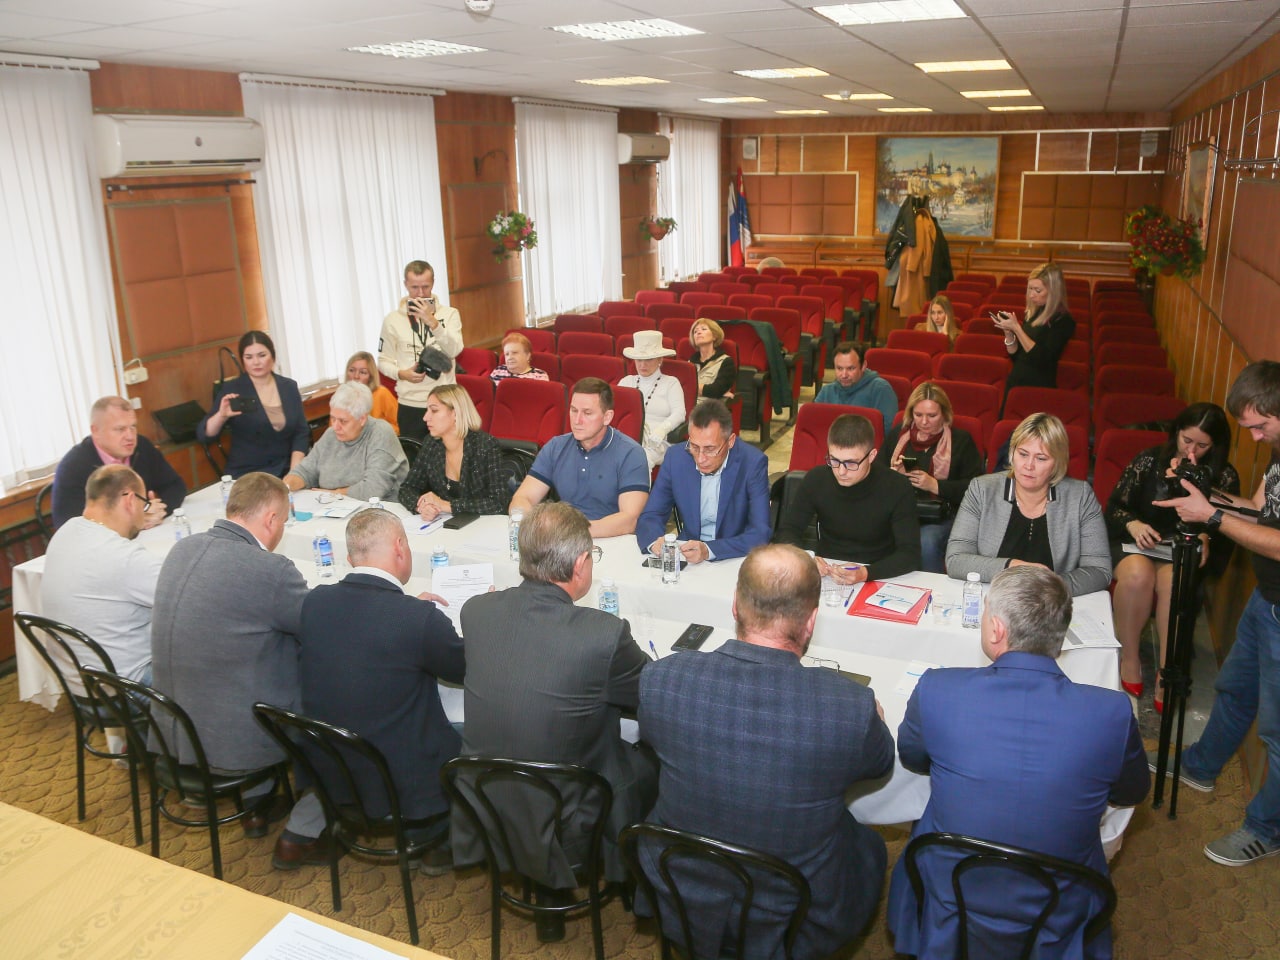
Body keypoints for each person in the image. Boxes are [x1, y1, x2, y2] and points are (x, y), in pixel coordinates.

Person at [638, 543, 894, 960]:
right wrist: (874, 719)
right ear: (811, 621)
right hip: (795, 902)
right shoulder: (848, 708)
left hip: (681, 878)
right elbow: (880, 764)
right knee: (869, 846)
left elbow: (650, 739)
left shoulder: (661, 680)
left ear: (735, 606)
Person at [886, 566, 1149, 960]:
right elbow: (1131, 791)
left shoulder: (938, 689)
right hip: (1059, 899)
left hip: (951, 888)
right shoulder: (1111, 712)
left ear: (996, 629)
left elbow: (913, 758)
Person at [455, 502, 657, 901]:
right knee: (655, 761)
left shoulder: (475, 611)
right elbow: (650, 694)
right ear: (580, 564)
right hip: (567, 816)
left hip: (487, 803)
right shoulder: (603, 634)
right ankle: (638, 885)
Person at [272, 508, 465, 872]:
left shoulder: (315, 602)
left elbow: (365, 630)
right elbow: (464, 668)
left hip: (332, 765)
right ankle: (438, 839)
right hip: (399, 774)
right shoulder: (418, 619)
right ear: (400, 548)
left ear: (350, 559)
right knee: (470, 729)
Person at [1151, 361, 1280, 866]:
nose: (1254, 436)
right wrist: (1201, 491)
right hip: (1265, 600)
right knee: (1234, 690)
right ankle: (1200, 766)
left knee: (1276, 732)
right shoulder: (1278, 448)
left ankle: (1266, 829)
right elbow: (1259, 509)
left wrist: (1212, 516)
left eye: (1260, 425)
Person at [150, 472, 308, 837]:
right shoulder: (271, 570)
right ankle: (310, 822)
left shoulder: (181, 549)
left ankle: (259, 801)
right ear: (271, 519)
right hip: (233, 740)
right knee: (327, 682)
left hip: (174, 728)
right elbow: (318, 628)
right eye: (283, 521)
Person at [1106, 403, 1239, 705]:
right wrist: (1133, 524)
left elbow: (1226, 525)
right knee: (1138, 577)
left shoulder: (1223, 476)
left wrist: (1205, 535)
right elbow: (1114, 507)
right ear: (1176, 432)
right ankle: (1129, 657)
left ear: (1215, 446)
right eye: (1186, 440)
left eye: (1202, 445)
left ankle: (1168, 670)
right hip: (1137, 543)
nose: (1191, 451)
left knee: (1173, 582)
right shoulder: (1149, 460)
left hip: (1181, 548)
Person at [947, 412, 1111, 596]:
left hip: (1053, 603)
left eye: (1041, 458)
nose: (1028, 465)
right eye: (1023, 454)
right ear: (1012, 453)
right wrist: (1014, 568)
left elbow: (1100, 570)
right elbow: (955, 560)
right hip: (993, 599)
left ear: (1057, 463)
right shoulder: (982, 489)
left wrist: (1050, 585)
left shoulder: (1080, 497)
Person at [42, 465, 162, 684]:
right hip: (128, 687)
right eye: (144, 504)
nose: (144, 512)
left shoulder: (64, 533)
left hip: (78, 682)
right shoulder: (123, 556)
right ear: (130, 500)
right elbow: (187, 598)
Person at [776, 413, 920, 584]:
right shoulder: (816, 479)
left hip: (880, 572)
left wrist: (866, 573)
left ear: (872, 456)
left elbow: (910, 554)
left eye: (851, 463)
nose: (841, 471)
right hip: (828, 571)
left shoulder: (897, 487)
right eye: (834, 460)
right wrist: (806, 558)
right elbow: (787, 531)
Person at [509, 378, 650, 537]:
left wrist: (569, 531)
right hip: (563, 538)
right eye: (574, 410)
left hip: (611, 538)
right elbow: (523, 497)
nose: (577, 421)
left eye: (587, 413)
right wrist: (527, 522)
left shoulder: (631, 453)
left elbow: (629, 520)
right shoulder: (556, 447)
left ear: (607, 417)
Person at [635, 399, 770, 564]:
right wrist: (655, 543)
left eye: (710, 449)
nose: (700, 458)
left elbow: (760, 533)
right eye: (694, 446)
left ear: (731, 441)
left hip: (734, 555)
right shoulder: (676, 457)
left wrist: (709, 550)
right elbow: (652, 515)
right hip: (689, 554)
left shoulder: (752, 463)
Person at [883, 381, 984, 574]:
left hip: (943, 515)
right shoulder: (899, 435)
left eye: (932, 416)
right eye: (918, 415)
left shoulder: (961, 441)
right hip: (901, 510)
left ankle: (931, 588)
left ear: (944, 414)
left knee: (926, 541)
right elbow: (876, 474)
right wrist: (893, 476)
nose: (923, 422)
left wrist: (935, 485)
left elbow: (975, 490)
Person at [52, 396, 186, 529]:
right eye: (120, 429)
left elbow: (175, 485)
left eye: (133, 427)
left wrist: (159, 510)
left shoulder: (142, 446)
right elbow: (68, 527)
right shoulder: (73, 467)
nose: (130, 436)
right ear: (95, 431)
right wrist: (131, 522)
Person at [199, 330, 310, 479]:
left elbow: (301, 432)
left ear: (272, 356)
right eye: (249, 357)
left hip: (285, 469)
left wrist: (294, 472)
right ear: (243, 360)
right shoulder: (233, 389)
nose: (256, 362)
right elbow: (204, 435)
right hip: (247, 474)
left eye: (262, 355)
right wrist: (221, 416)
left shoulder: (288, 386)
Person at [378, 259, 463, 442]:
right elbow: (383, 360)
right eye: (414, 287)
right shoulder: (392, 320)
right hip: (410, 403)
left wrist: (433, 322)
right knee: (414, 457)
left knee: (448, 456)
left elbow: (454, 350)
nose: (421, 293)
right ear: (405, 284)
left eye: (426, 286)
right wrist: (401, 373)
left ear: (433, 283)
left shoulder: (450, 314)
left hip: (444, 402)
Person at [397, 383, 507, 519]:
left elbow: (498, 503)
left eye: (434, 411)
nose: (425, 417)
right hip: (443, 524)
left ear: (455, 413)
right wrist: (422, 506)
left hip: (481, 525)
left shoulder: (485, 445)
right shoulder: (431, 443)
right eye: (427, 410)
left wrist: (446, 505)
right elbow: (407, 488)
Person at [284, 381, 406, 501]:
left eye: (343, 421)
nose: (335, 426)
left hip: (379, 508)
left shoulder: (380, 433)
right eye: (333, 418)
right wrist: (286, 487)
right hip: (334, 507)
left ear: (362, 419)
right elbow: (306, 471)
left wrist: (334, 494)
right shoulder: (331, 435)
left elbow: (374, 489)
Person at [994, 262, 1076, 400]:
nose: (1031, 295)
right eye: (1030, 289)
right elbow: (1017, 357)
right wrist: (1009, 333)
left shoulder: (1063, 321)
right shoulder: (1033, 313)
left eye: (1038, 291)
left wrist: (1017, 329)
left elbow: (1041, 359)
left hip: (1038, 388)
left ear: (1053, 292)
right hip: (1016, 384)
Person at [620, 329, 686, 470]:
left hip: (657, 442)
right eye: (639, 360)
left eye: (648, 359)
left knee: (638, 459)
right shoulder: (626, 382)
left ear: (660, 360)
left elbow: (679, 413)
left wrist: (662, 429)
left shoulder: (671, 383)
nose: (642, 365)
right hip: (627, 439)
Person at [813, 342, 898, 434]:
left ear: (863, 366)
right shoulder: (827, 391)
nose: (844, 375)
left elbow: (887, 432)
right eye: (839, 368)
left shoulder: (881, 389)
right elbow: (813, 424)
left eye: (850, 368)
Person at [345, 350, 399, 435]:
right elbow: (334, 429)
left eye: (362, 372)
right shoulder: (341, 396)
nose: (356, 376)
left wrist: (378, 431)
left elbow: (399, 426)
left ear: (370, 376)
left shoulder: (382, 393)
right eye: (352, 370)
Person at [690, 318, 737, 400]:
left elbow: (716, 390)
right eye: (695, 331)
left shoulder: (726, 362)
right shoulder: (689, 362)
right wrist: (708, 390)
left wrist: (691, 387)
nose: (698, 332)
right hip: (686, 404)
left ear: (714, 336)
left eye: (703, 329)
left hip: (708, 406)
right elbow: (680, 387)